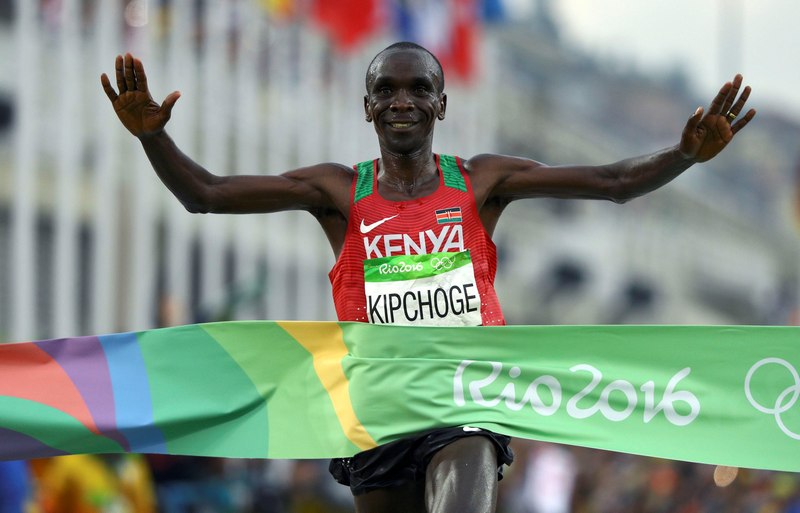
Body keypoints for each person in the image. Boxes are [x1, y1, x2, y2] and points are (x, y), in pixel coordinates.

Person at [101, 41, 755, 513]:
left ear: (441, 102)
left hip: (464, 396)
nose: (402, 101)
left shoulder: (480, 180)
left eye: (418, 89)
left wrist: (683, 153)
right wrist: (153, 138)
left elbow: (612, 182)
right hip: (378, 409)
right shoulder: (337, 189)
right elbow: (207, 193)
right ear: (367, 107)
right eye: (386, 90)